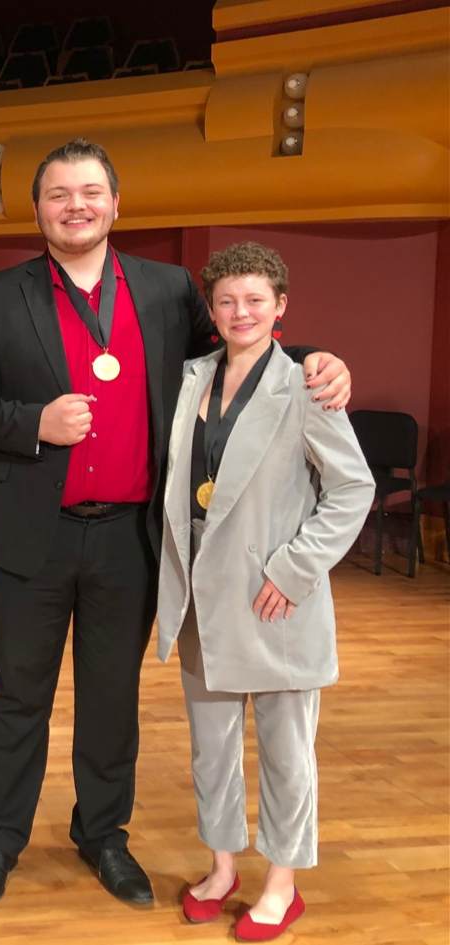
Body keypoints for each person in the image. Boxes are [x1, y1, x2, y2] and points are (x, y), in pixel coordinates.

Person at [0, 139, 354, 907]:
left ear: (116, 204)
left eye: (90, 191)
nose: (76, 206)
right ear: (40, 210)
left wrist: (323, 360)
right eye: (59, 194)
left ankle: (103, 835)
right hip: (34, 533)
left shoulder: (167, 290)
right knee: (18, 690)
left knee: (109, 694)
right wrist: (33, 422)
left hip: (135, 536)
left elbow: (244, 350)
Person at [158, 243, 372, 941]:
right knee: (211, 749)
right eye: (225, 300)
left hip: (273, 597)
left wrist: (295, 567)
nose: (239, 312)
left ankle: (281, 883)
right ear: (211, 310)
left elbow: (352, 489)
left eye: (255, 299)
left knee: (286, 752)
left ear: (281, 307)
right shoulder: (192, 377)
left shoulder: (308, 386)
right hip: (203, 599)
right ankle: (222, 868)